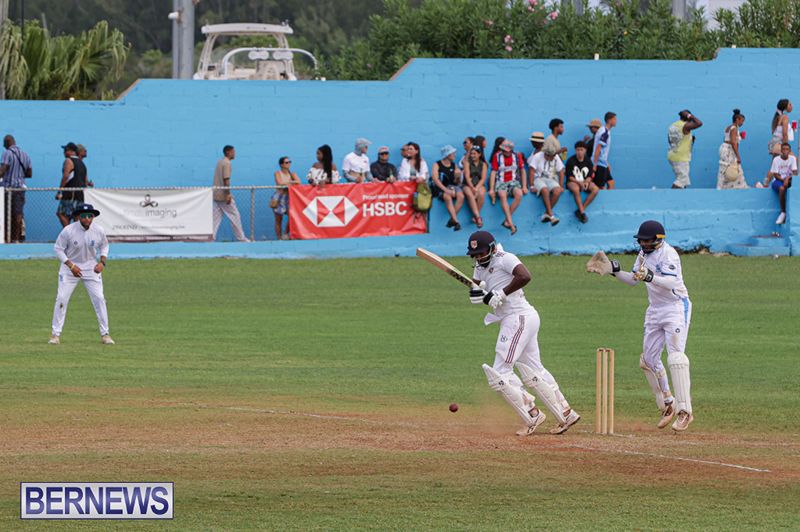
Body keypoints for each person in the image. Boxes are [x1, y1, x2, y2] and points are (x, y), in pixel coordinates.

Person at [467, 230, 581, 436]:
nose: (478, 258)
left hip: (518, 317)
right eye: (474, 255)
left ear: (492, 249)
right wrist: (477, 295)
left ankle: (532, 413)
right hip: (517, 318)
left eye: (482, 254)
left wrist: (501, 294)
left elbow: (525, 276)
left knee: (500, 372)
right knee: (534, 368)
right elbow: (479, 288)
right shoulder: (478, 267)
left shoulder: (505, 258)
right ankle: (566, 411)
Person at [587, 221, 694, 432]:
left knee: (676, 358)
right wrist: (613, 271)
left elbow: (671, 283)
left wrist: (650, 277)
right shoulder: (643, 255)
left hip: (675, 307)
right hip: (655, 309)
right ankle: (668, 403)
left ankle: (685, 412)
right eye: (641, 240)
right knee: (648, 360)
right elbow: (634, 280)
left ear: (658, 240)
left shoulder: (669, 254)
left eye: (647, 240)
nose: (643, 244)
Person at [49, 203, 114, 345]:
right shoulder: (68, 231)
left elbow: (104, 245)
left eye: (90, 216)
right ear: (78, 217)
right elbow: (58, 249)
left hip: (91, 268)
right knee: (61, 299)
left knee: (99, 299)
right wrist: (71, 265)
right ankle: (55, 335)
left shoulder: (99, 230)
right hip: (69, 268)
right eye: (84, 216)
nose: (87, 219)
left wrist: (102, 262)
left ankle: (105, 334)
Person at [489, 140, 527, 235]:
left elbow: (522, 171)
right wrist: (491, 188)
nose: (504, 152)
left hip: (513, 181)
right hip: (501, 181)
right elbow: (493, 172)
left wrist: (524, 186)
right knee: (502, 195)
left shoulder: (517, 156)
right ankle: (511, 223)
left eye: (506, 150)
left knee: (519, 194)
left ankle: (507, 221)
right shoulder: (497, 156)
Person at [212, 145, 249, 242]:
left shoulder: (220, 162)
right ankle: (242, 239)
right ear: (228, 152)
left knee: (215, 219)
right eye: (233, 152)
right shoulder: (227, 163)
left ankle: (210, 238)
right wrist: (228, 194)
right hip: (224, 196)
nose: (234, 153)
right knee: (235, 216)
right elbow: (226, 180)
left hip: (216, 195)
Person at [0, 135, 32, 242]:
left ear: (7, 142)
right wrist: (19, 176)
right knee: (18, 214)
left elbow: (2, 170)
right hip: (20, 189)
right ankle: (16, 239)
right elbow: (29, 173)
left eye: (4, 143)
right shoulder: (25, 155)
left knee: (5, 214)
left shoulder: (7, 153)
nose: (3, 145)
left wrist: (6, 175)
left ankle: (6, 238)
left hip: (8, 189)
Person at [527, 146, 564, 226]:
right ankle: (552, 216)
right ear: (546, 154)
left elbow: (561, 171)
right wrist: (532, 185)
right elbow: (531, 170)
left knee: (557, 191)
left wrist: (561, 186)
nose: (553, 158)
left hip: (550, 179)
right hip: (537, 178)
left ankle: (546, 214)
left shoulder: (555, 156)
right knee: (545, 190)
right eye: (551, 157)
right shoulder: (537, 156)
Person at [431, 145, 465, 231]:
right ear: (447, 154)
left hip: (452, 186)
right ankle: (456, 221)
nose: (455, 155)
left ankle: (452, 219)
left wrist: (458, 176)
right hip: (441, 187)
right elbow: (436, 179)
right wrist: (446, 190)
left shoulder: (454, 165)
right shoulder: (437, 164)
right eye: (453, 153)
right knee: (447, 197)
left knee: (461, 196)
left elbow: (457, 183)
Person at [667, 110, 703, 189]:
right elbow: (699, 123)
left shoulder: (672, 125)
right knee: (681, 180)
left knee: (683, 180)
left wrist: (690, 141)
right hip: (681, 157)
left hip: (672, 155)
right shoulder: (685, 126)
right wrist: (690, 116)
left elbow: (670, 141)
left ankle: (680, 198)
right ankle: (672, 197)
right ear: (688, 117)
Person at [565, 140, 599, 223]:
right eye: (578, 150)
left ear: (585, 150)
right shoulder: (571, 160)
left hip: (584, 182)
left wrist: (586, 182)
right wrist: (579, 182)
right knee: (575, 189)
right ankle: (583, 213)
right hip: (573, 182)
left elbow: (590, 175)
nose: (579, 152)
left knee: (595, 189)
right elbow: (569, 176)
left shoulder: (588, 161)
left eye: (581, 150)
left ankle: (581, 209)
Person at [57, 142, 89, 227]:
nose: (64, 152)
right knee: (76, 216)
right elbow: (86, 181)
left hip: (70, 193)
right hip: (81, 194)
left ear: (72, 151)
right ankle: (76, 235)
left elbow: (65, 176)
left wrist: (60, 191)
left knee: (61, 214)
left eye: (66, 150)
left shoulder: (69, 161)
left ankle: (69, 233)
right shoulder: (82, 164)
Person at [716, 109, 748, 189]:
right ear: (737, 119)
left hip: (724, 148)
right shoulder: (734, 128)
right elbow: (733, 143)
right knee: (732, 167)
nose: (742, 123)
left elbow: (728, 138)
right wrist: (738, 156)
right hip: (729, 151)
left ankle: (722, 186)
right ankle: (737, 187)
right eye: (742, 121)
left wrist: (739, 135)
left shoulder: (729, 127)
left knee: (725, 168)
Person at [765, 143, 796, 225]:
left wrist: (787, 178)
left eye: (787, 149)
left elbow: (795, 172)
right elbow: (775, 174)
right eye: (784, 149)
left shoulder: (792, 159)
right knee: (782, 188)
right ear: (781, 150)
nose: (785, 151)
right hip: (778, 180)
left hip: (788, 180)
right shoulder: (776, 160)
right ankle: (783, 212)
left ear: (789, 151)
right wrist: (783, 180)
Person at [272, 156, 301, 240]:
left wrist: (288, 183)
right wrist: (291, 182)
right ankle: (279, 238)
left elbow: (298, 182)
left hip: (289, 197)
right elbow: (279, 183)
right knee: (278, 219)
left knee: (292, 216)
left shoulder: (292, 174)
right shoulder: (277, 173)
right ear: (281, 164)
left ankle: (285, 234)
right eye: (286, 162)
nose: (289, 164)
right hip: (279, 197)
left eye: (289, 162)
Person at [463, 146, 487, 228]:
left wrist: (476, 188)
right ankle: (478, 217)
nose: (472, 155)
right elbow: (466, 176)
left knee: (481, 193)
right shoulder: (467, 163)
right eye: (471, 154)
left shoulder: (483, 164)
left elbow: (483, 178)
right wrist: (472, 187)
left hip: (479, 184)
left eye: (474, 154)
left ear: (479, 154)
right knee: (469, 194)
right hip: (468, 184)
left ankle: (475, 217)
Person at [592, 112, 617, 189]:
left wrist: (607, 163)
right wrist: (594, 164)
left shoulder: (606, 131)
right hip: (599, 164)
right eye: (614, 119)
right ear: (609, 120)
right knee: (600, 187)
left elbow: (602, 150)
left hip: (603, 163)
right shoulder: (604, 132)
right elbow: (598, 148)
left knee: (611, 182)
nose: (616, 121)